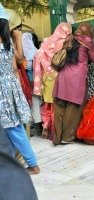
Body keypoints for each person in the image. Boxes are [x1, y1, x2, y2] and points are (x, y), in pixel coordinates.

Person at [0, 3, 39, 174]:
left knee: (13, 129)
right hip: (10, 88)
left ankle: (33, 164)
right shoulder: (7, 42)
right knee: (11, 128)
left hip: (3, 90)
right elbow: (20, 59)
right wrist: (18, 37)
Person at [52, 22, 94, 145]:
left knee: (59, 108)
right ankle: (66, 137)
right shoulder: (86, 41)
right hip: (76, 80)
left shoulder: (70, 38)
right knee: (73, 110)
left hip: (62, 77)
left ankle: (56, 138)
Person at [33, 22, 72, 139]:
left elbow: (38, 58)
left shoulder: (46, 42)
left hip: (45, 78)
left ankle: (45, 126)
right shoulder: (63, 42)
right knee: (57, 106)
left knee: (47, 105)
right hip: (57, 78)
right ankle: (55, 129)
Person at [22, 32, 42, 136]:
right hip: (37, 83)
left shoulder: (21, 54)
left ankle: (30, 129)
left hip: (26, 83)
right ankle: (39, 128)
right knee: (37, 104)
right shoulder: (37, 52)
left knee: (30, 105)